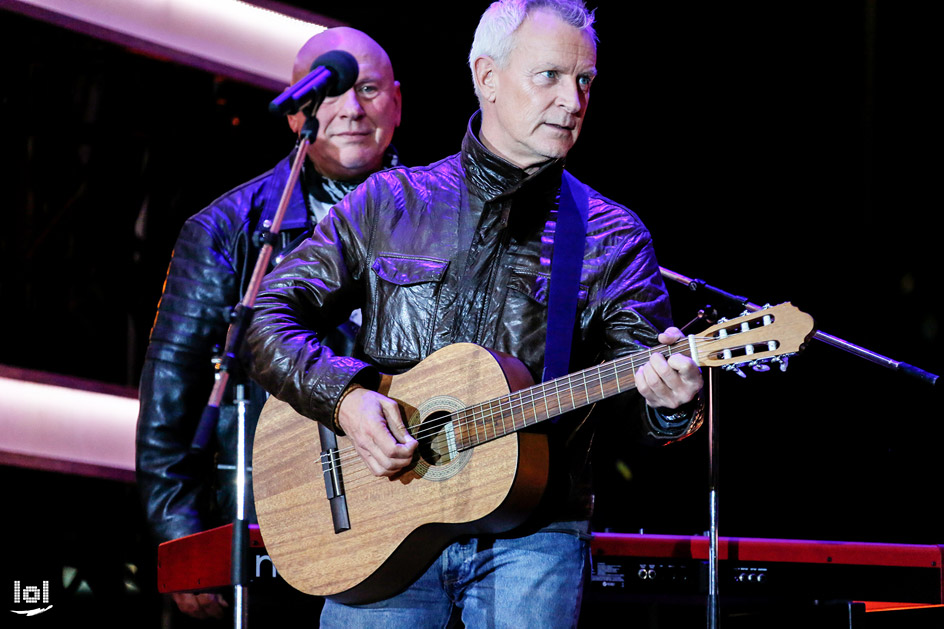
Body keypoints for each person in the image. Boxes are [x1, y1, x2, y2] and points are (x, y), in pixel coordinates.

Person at [245, 1, 703, 627]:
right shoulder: (388, 202)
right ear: (487, 77)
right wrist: (345, 399)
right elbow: (266, 316)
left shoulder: (610, 237)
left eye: (585, 80)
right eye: (550, 76)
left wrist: (670, 403)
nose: (572, 99)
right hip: (378, 515)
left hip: (534, 533)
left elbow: (641, 415)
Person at [134, 26, 402, 624]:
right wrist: (183, 538)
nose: (351, 109)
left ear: (397, 102)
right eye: (330, 93)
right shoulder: (229, 229)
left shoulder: (443, 217)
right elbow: (169, 400)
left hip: (409, 514)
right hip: (270, 516)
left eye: (368, 89)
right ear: (296, 110)